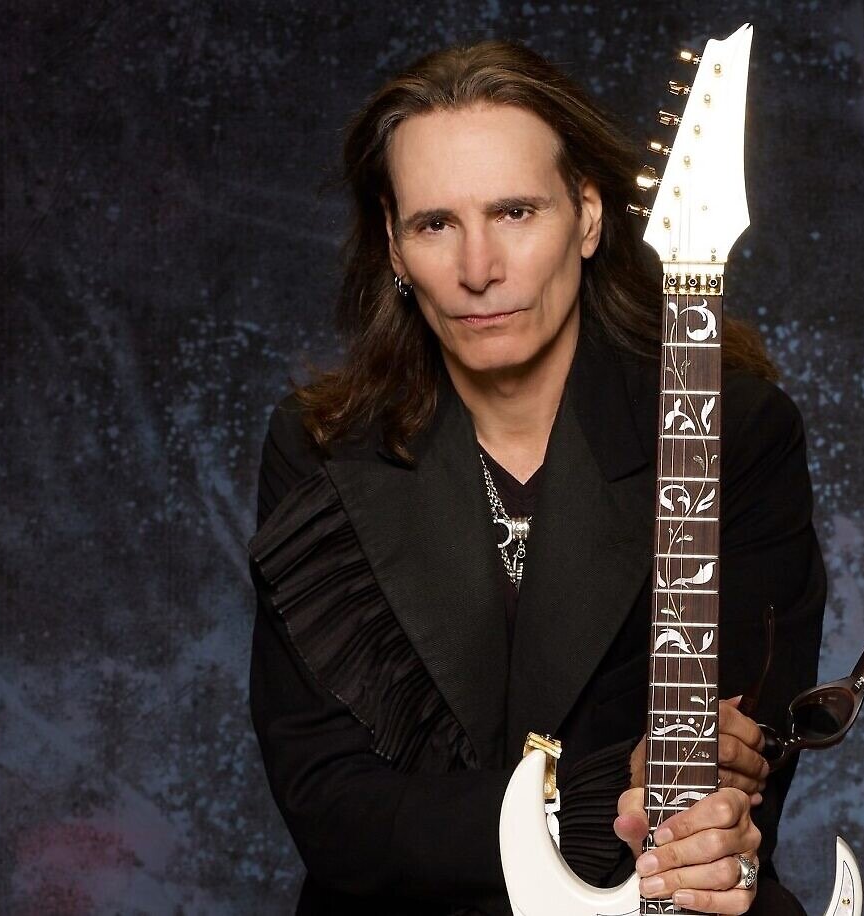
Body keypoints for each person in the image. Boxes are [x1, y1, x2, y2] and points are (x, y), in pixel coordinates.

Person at [248, 39, 827, 916]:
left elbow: (725, 805)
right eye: (434, 224)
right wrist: (591, 799)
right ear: (394, 245)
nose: (478, 269)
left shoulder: (733, 434)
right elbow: (334, 815)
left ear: (587, 216)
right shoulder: (320, 449)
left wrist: (674, 807)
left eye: (514, 212)